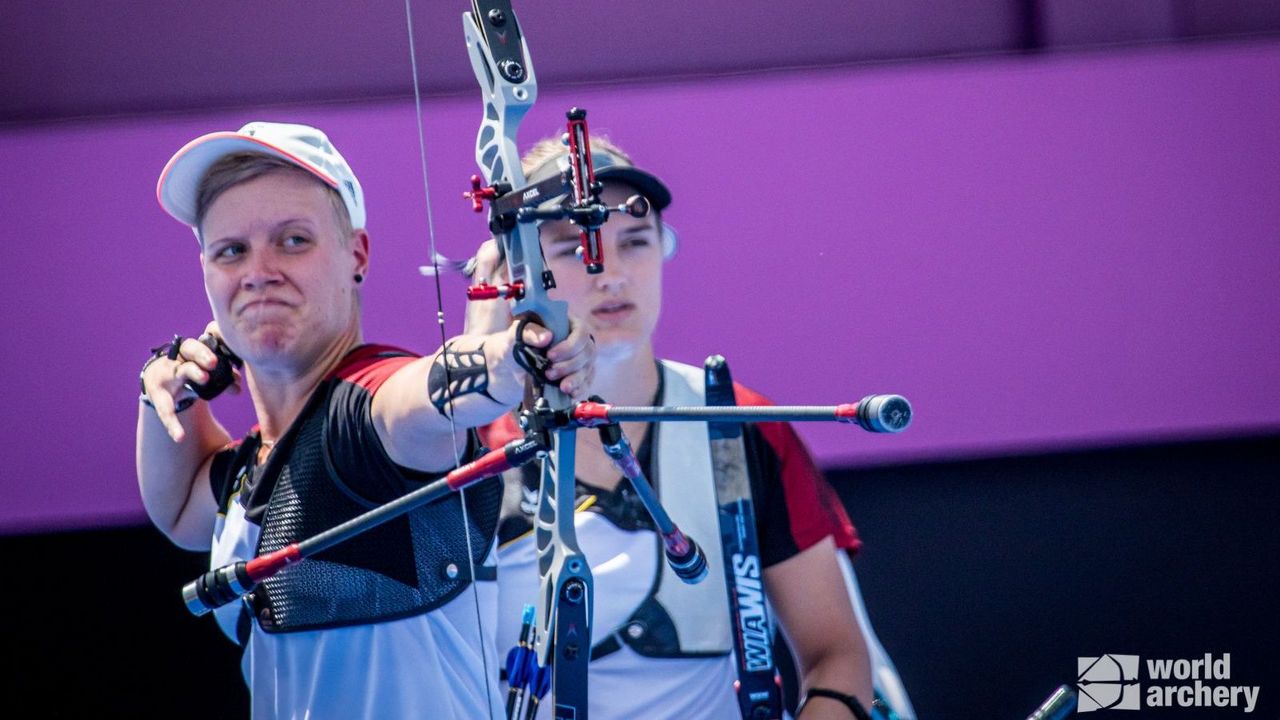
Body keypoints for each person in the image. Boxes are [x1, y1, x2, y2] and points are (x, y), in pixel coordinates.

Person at [137, 121, 595, 719]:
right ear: (206, 272)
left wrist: (516, 354)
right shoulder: (250, 468)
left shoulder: (366, 412)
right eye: (232, 251)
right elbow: (176, 513)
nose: (259, 270)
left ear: (357, 254)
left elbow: (433, 396)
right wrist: (160, 387)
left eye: (294, 240)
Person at [471, 137, 912, 719]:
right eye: (577, 250)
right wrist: (480, 361)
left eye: (635, 242)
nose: (614, 276)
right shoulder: (463, 444)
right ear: (513, 272)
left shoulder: (737, 423)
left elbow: (837, 652)